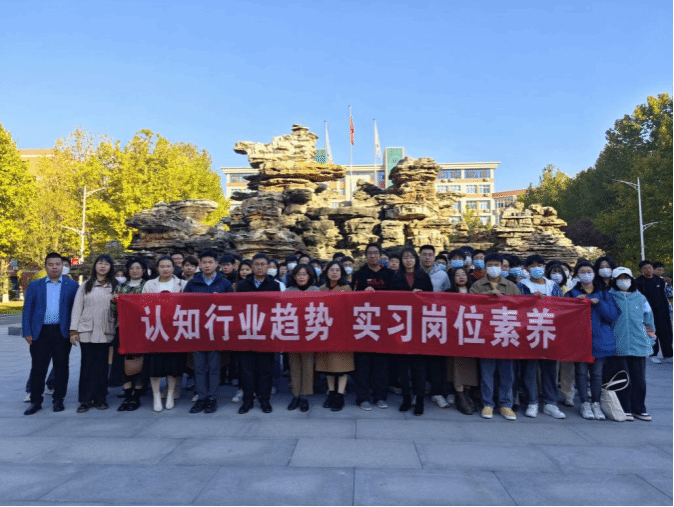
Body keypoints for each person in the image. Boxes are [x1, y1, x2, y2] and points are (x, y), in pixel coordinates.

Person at [22, 253, 79, 415]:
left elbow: (76, 310)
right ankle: (35, 400)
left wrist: (74, 331)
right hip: (40, 332)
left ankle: (58, 400)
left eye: (57, 264)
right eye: (51, 264)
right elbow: (27, 310)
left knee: (61, 367)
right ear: (45, 266)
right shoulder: (35, 285)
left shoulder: (71, 285)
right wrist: (27, 331)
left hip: (62, 332)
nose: (54, 267)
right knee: (38, 368)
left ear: (62, 266)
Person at [566, 261, 621, 420]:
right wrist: (575, 304)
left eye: (588, 271)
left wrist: (599, 303)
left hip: (600, 340)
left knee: (597, 374)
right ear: (577, 275)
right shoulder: (571, 294)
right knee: (581, 373)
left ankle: (596, 403)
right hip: (579, 340)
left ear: (594, 273)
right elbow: (565, 318)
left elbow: (612, 315)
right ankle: (584, 403)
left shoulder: (604, 294)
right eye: (582, 272)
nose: (586, 274)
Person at [469, 253, 520, 421]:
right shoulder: (477, 285)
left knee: (507, 373)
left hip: (506, 334)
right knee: (487, 372)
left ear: (502, 266)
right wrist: (487, 296)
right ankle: (488, 403)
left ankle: (505, 404)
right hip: (486, 334)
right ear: (485, 267)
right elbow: (468, 305)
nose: (493, 268)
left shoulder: (511, 286)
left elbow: (521, 308)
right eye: (490, 265)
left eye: (496, 265)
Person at [183, 250, 233, 414]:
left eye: (210, 262)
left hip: (216, 330)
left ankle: (212, 398)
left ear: (216, 264)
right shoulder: (193, 283)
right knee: (198, 367)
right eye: (204, 262)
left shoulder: (224, 283)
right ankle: (201, 397)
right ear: (200, 264)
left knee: (213, 366)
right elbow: (184, 305)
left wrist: (221, 301)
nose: (207, 265)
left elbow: (233, 306)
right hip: (198, 330)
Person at [517, 255, 566, 419]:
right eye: (533, 266)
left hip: (550, 331)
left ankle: (551, 403)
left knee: (550, 369)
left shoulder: (553, 286)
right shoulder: (522, 285)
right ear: (527, 269)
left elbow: (562, 307)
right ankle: (532, 402)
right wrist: (531, 301)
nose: (537, 268)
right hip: (529, 331)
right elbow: (517, 307)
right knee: (530, 369)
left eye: (540, 265)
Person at [606, 267, 656, 421]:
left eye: (626, 277)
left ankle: (639, 409)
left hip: (638, 344)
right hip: (617, 345)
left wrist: (650, 340)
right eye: (620, 278)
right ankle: (624, 408)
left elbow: (649, 320)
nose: (624, 281)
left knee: (639, 380)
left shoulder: (640, 298)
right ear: (614, 281)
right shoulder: (609, 297)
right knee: (622, 379)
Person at [70, 254, 118, 413]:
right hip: (87, 331)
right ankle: (85, 400)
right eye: (100, 263)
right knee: (87, 366)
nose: (103, 266)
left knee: (102, 367)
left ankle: (100, 398)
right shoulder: (86, 285)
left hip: (106, 330)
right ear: (95, 266)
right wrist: (73, 330)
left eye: (106, 264)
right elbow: (77, 308)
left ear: (110, 267)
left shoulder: (115, 285)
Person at [390, 247, 434, 416]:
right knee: (403, 367)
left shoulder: (423, 277)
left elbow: (431, 299)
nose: (408, 260)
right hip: (401, 326)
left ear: (416, 259)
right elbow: (390, 299)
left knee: (419, 366)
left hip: (419, 326)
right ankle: (406, 398)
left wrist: (421, 295)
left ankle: (420, 399)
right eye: (405, 257)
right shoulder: (396, 277)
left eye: (411, 257)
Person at [236, 253, 281, 414]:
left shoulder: (274, 285)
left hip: (266, 333)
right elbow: (237, 307)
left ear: (268, 267)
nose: (260, 267)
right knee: (246, 369)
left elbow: (276, 308)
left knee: (265, 369)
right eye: (256, 264)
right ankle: (248, 400)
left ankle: (264, 399)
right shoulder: (242, 285)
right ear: (252, 266)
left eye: (263, 264)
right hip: (246, 332)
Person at [352, 243, 394, 411]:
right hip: (364, 323)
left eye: (376, 253)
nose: (373, 256)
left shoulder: (389, 274)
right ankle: (363, 397)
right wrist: (363, 293)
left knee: (381, 363)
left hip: (383, 324)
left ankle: (380, 396)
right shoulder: (359, 274)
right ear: (366, 255)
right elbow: (352, 297)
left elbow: (398, 296)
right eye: (370, 253)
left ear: (381, 255)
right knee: (363, 362)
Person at [142, 255, 186, 412]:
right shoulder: (149, 284)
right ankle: (156, 395)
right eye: (162, 266)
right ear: (157, 268)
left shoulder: (182, 284)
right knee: (154, 363)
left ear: (173, 268)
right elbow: (142, 304)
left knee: (172, 363)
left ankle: (170, 393)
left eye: (168, 266)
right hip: (154, 328)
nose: (165, 269)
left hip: (174, 329)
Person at [111, 257, 148, 411]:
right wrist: (114, 301)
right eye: (132, 268)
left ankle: (137, 396)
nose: (134, 271)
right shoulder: (121, 287)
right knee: (123, 362)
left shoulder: (148, 286)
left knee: (139, 362)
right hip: (123, 329)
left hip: (141, 330)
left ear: (144, 270)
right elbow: (114, 310)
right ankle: (127, 396)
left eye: (138, 268)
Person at [317, 261, 354, 412]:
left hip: (342, 331)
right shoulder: (321, 289)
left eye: (337, 270)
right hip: (326, 330)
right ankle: (331, 392)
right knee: (328, 364)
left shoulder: (347, 288)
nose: (334, 273)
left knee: (342, 365)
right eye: (332, 270)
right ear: (327, 272)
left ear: (341, 273)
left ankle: (340, 395)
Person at [285, 264, 319, 412]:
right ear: (294, 276)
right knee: (294, 365)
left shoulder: (316, 291)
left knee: (308, 365)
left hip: (310, 333)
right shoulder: (288, 291)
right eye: (298, 274)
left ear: (309, 276)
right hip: (292, 333)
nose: (301, 277)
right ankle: (296, 394)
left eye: (304, 274)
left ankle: (305, 395)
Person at [445, 267, 479, 415]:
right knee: (456, 364)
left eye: (463, 274)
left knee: (470, 364)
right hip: (455, 334)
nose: (461, 277)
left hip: (471, 333)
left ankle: (466, 393)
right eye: (457, 275)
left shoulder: (475, 292)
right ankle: (460, 395)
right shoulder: (448, 293)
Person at [546, 262, 575, 408]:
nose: (557, 275)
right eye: (553, 272)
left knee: (567, 366)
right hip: (549, 330)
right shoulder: (545, 289)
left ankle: (568, 394)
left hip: (566, 332)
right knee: (551, 365)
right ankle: (547, 392)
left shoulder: (570, 291)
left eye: (560, 272)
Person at [636, 260, 673, 363]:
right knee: (652, 332)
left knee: (666, 332)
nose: (648, 270)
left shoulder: (659, 280)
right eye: (645, 268)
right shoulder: (638, 282)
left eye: (650, 267)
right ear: (641, 270)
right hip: (649, 312)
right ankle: (653, 354)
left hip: (662, 311)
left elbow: (667, 294)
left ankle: (668, 354)